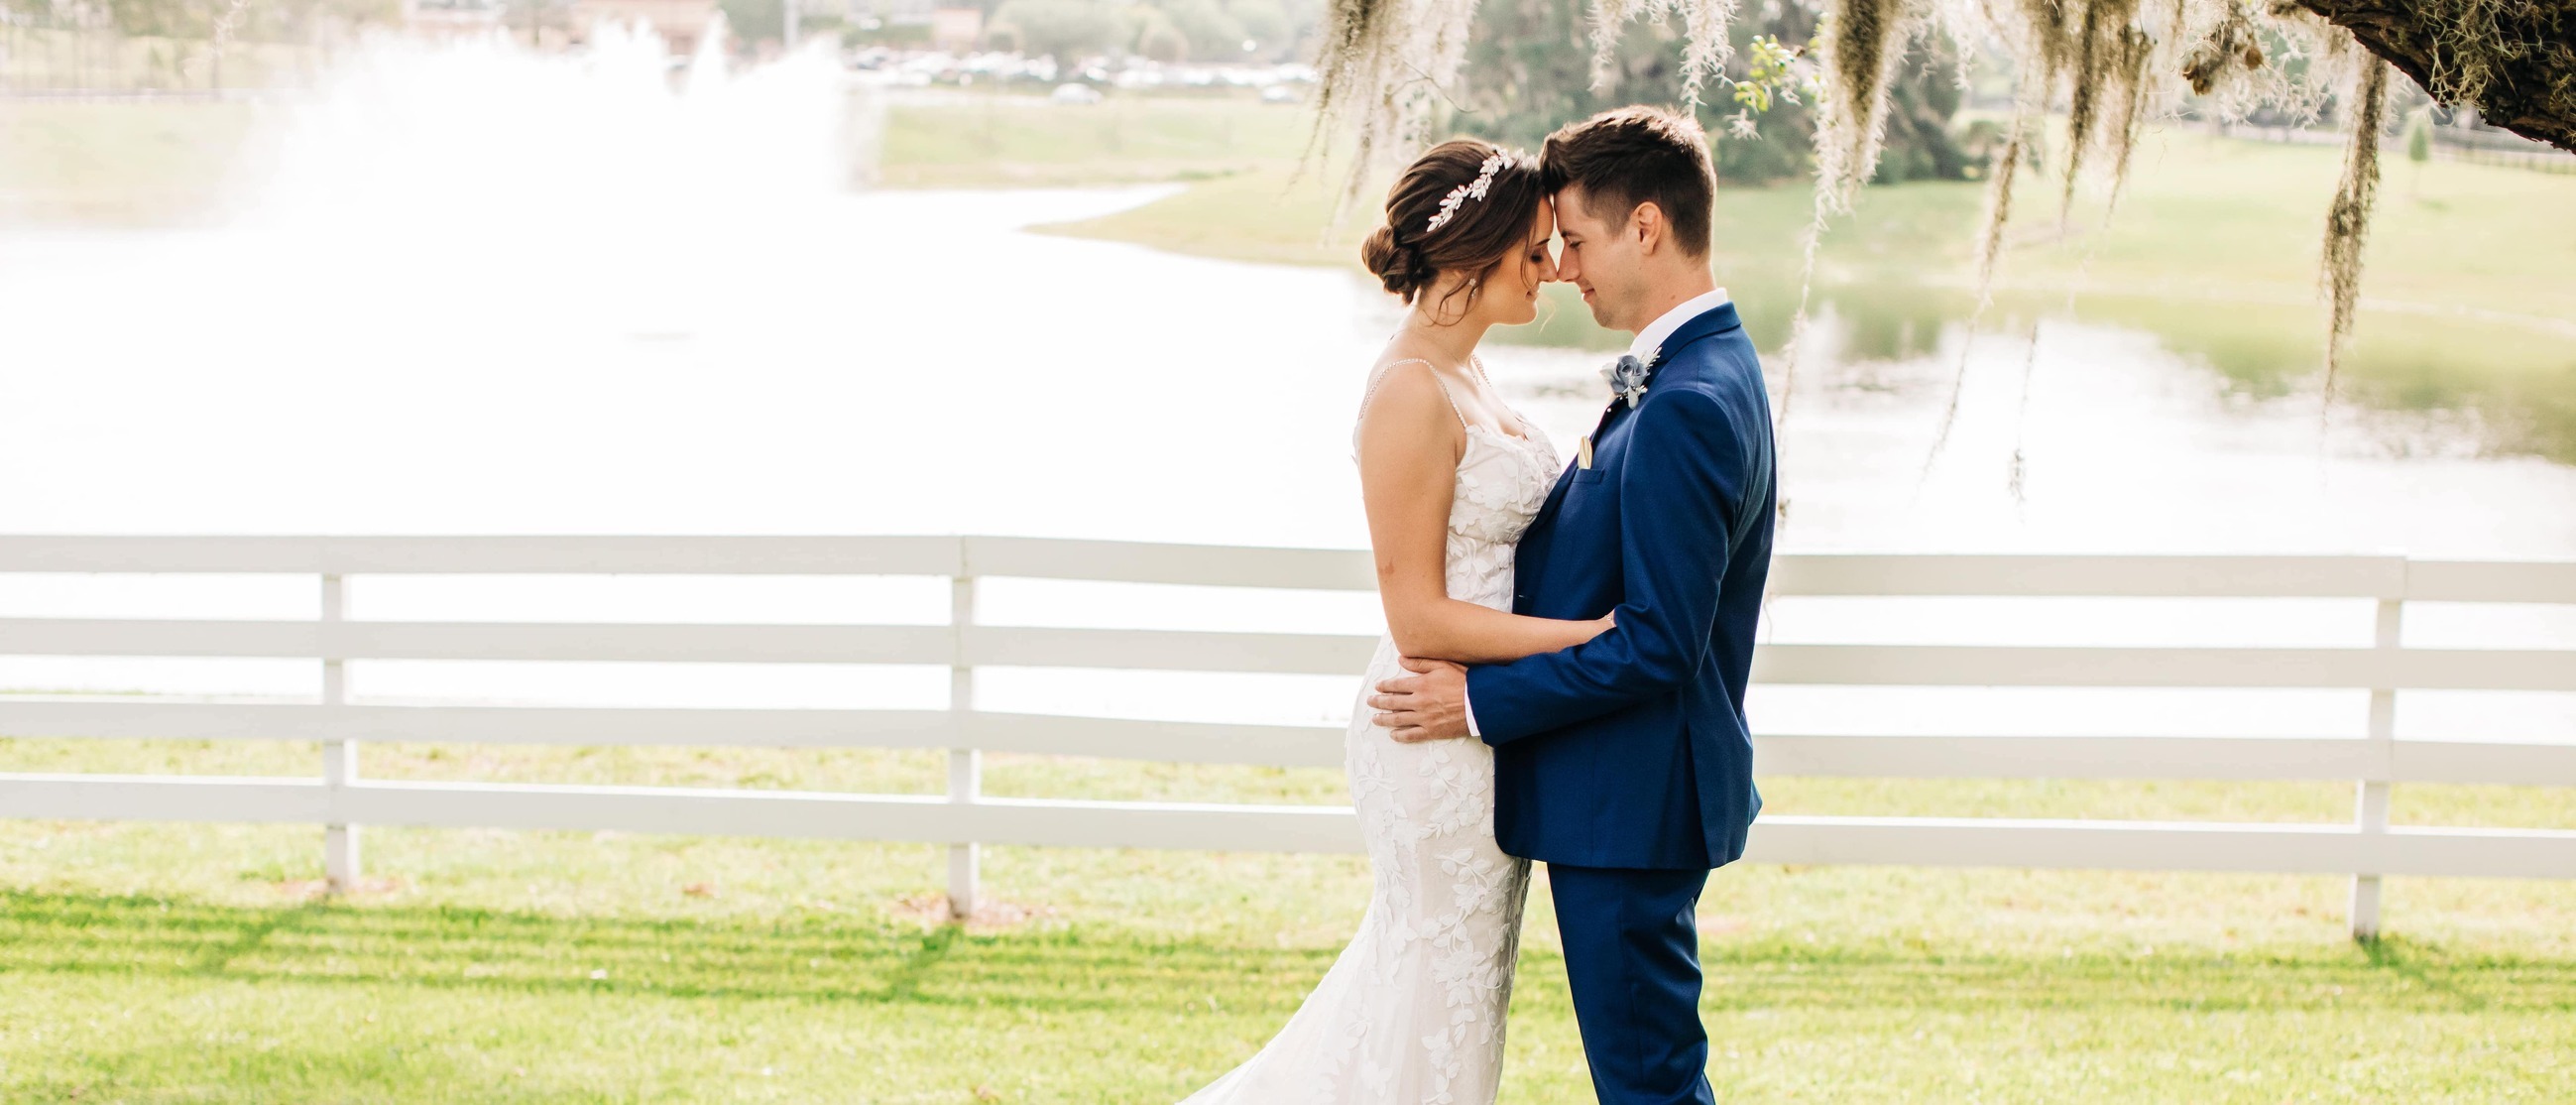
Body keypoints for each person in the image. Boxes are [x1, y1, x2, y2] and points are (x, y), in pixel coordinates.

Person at [1180, 137, 1609, 1103]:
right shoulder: (1409, 390)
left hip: (1486, 721)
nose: (1550, 266)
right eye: (1534, 248)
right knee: (1432, 988)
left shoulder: (1471, 376)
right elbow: (1417, 613)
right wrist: (1588, 642)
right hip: (1434, 733)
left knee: (1459, 991)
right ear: (1474, 252)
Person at [1369, 105, 1778, 1105]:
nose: (1564, 267)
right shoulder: (1698, 367)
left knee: (1650, 1086)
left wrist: (1476, 705)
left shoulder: (1686, 399)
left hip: (1632, 800)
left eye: (1578, 240)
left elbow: (1656, 645)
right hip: (1613, 792)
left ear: (1645, 225)